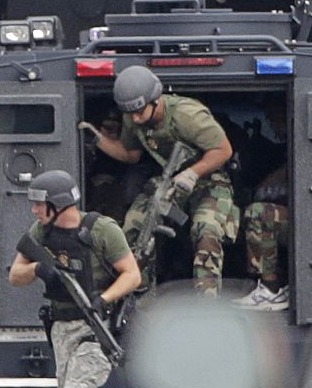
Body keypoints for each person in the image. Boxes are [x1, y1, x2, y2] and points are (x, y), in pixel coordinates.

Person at [8, 170, 145, 388]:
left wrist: (104, 300)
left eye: (39, 204)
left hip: (96, 329)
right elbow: (15, 276)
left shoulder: (101, 230)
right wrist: (40, 269)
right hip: (61, 329)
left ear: (58, 204)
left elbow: (133, 275)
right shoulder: (40, 232)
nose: (34, 210)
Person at [88, 65, 239, 296]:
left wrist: (193, 173)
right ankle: (140, 292)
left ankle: (207, 303)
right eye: (131, 113)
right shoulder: (133, 117)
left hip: (211, 179)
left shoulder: (187, 115)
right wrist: (98, 139)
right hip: (169, 179)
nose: (136, 118)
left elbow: (223, 150)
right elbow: (131, 154)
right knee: (134, 225)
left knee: (207, 231)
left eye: (140, 111)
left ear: (155, 100)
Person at [234, 96, 290, 310]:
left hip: (308, 223)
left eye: (275, 120)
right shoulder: (272, 152)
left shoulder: (297, 150)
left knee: (257, 213)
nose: (272, 125)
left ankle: (271, 289)